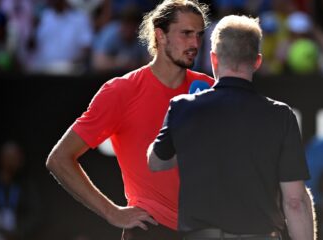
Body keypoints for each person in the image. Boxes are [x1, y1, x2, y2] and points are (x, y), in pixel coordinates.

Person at [45, 0, 213, 239]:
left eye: (199, 35)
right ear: (160, 35)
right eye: (186, 34)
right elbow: (59, 159)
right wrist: (111, 212)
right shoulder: (121, 91)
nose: (195, 44)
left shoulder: (208, 88)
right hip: (151, 228)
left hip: (205, 228)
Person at [148, 15, 316, 240]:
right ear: (257, 61)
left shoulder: (182, 108)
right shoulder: (281, 116)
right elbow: (295, 202)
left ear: (214, 59)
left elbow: (156, 162)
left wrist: (187, 134)